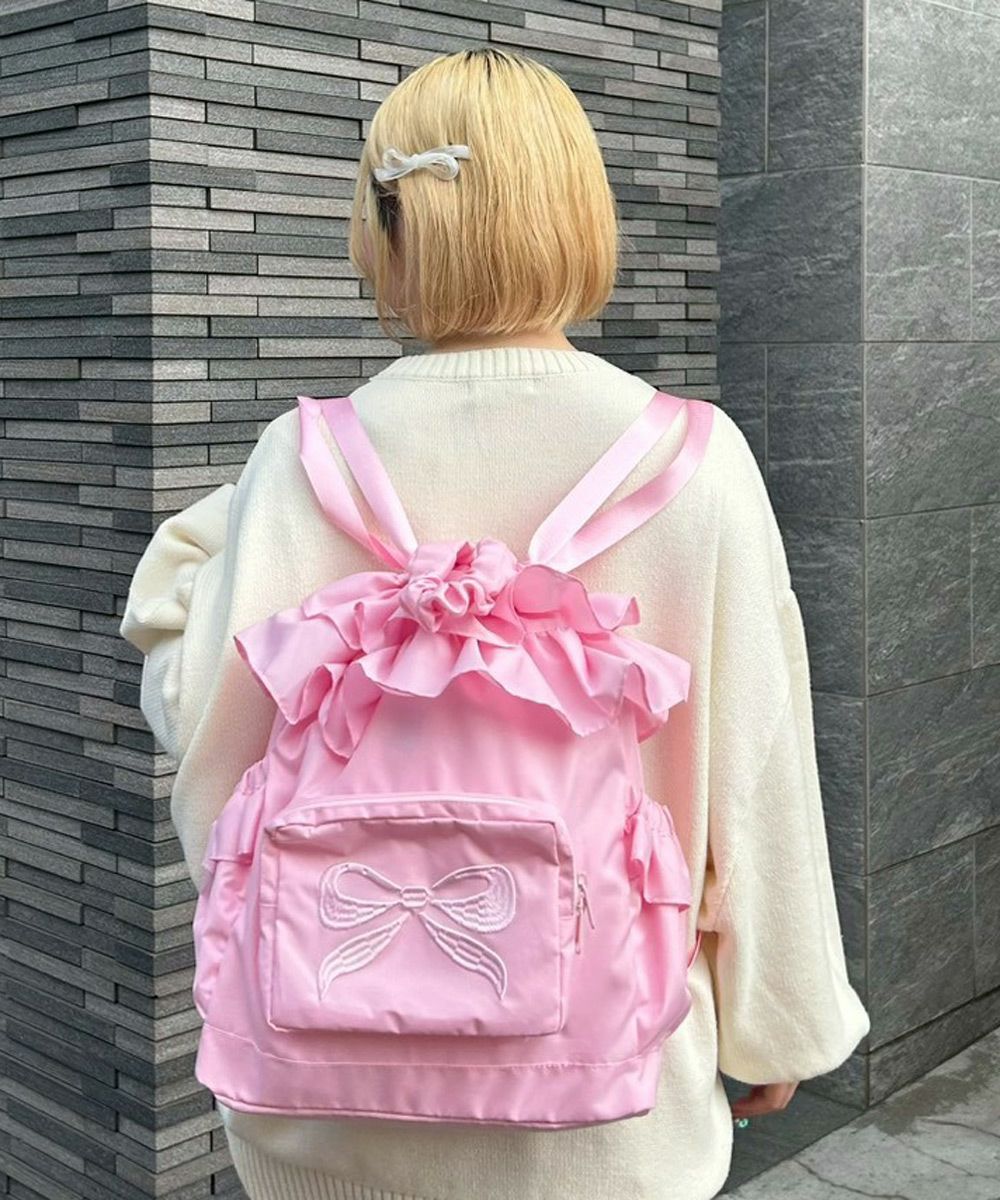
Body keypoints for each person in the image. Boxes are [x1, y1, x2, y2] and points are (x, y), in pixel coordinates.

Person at [119, 46, 870, 1200]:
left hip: (322, 1105)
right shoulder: (694, 462)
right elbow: (756, 775)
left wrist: (182, 588)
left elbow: (210, 760)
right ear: (577, 210)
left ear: (389, 225)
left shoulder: (300, 459)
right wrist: (779, 1023)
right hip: (605, 1117)